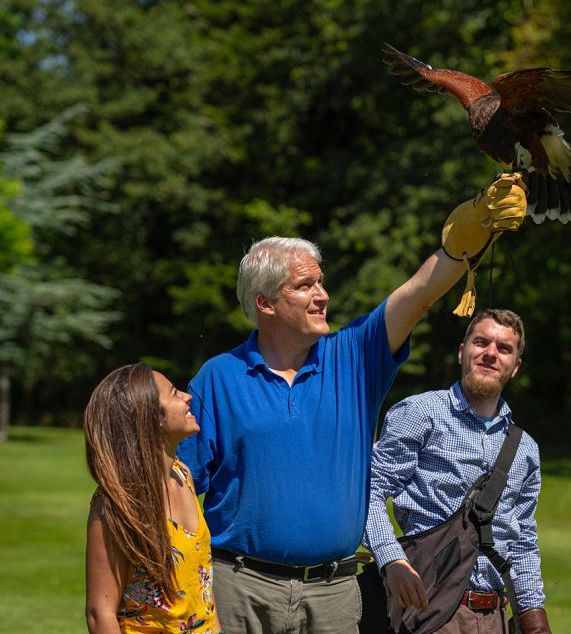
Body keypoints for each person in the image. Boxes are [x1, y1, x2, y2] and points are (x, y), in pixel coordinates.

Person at [176, 174, 528, 634]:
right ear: (264, 303)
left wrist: (470, 235)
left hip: (334, 594)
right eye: (304, 286)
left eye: (321, 283)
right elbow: (178, 486)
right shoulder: (218, 378)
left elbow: (418, 293)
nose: (322, 295)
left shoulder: (354, 357)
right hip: (238, 587)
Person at [363, 308, 552, 634]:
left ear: (515, 367)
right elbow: (369, 490)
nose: (490, 353)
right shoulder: (420, 413)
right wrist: (391, 558)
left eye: (503, 348)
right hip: (426, 611)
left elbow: (522, 544)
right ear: (462, 351)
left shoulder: (525, 449)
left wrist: (534, 619)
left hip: (495, 618)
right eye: (481, 342)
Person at [84, 363, 222, 634]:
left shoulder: (183, 475)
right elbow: (100, 614)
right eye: (173, 393)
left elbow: (201, 580)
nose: (187, 396)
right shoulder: (116, 504)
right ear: (151, 418)